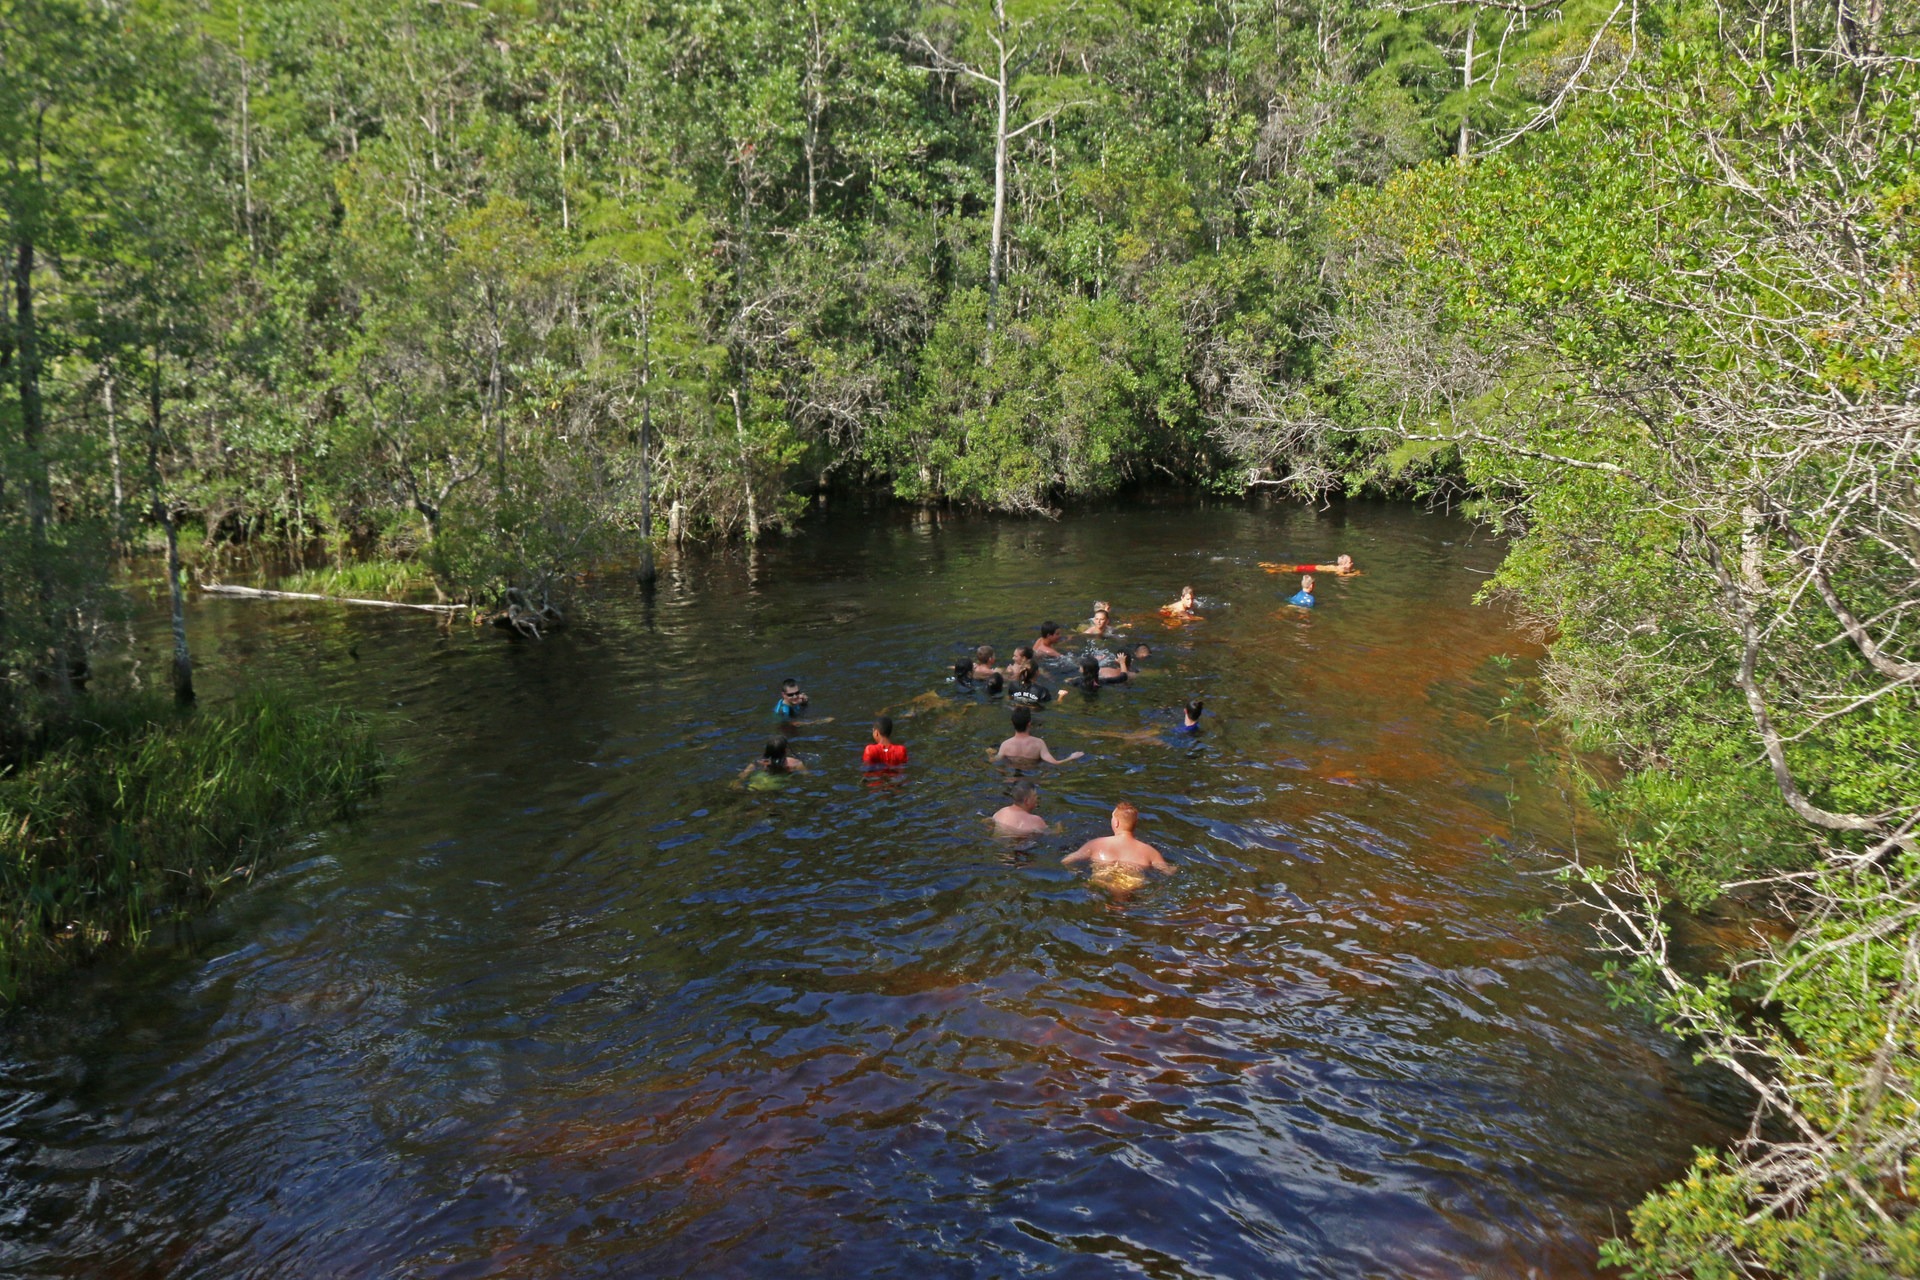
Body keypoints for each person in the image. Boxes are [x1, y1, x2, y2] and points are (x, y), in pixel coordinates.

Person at [1062, 801, 1175, 876]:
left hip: (1103, 880)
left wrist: (1077, 872)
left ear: (1116, 822)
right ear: (1135, 824)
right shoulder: (1150, 852)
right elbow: (1168, 871)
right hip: (1131, 882)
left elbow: (1067, 861)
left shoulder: (1096, 844)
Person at [993, 706, 1084, 764]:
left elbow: (995, 760)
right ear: (1029, 724)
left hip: (1012, 777)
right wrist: (1072, 757)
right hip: (1032, 776)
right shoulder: (1038, 743)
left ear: (1012, 723)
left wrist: (990, 753)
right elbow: (1055, 763)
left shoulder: (1005, 745)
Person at [742, 736, 806, 778]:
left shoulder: (758, 762)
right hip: (781, 783)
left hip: (761, 782)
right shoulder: (795, 763)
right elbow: (807, 775)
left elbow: (743, 775)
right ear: (785, 750)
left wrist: (737, 782)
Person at [1261, 554, 1357, 576]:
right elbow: (1342, 575)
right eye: (1350, 562)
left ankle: (1268, 564)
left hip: (1312, 567)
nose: (1352, 563)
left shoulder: (1336, 567)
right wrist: (1355, 574)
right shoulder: (1339, 570)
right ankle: (1272, 569)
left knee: (1290, 567)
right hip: (1311, 569)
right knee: (1290, 569)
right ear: (1344, 565)